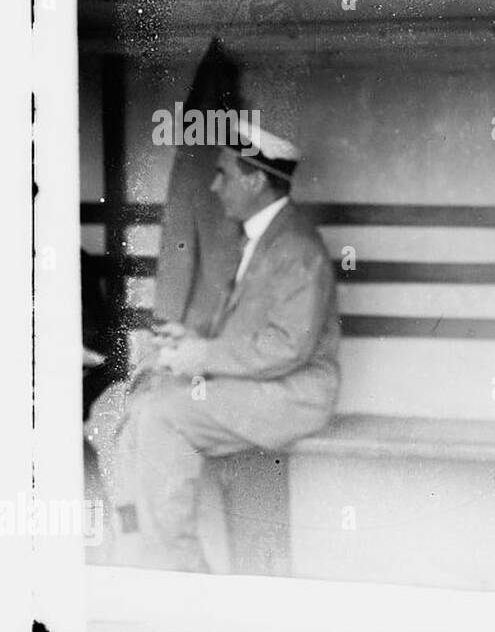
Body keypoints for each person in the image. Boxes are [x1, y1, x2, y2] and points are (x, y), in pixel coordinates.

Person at [86, 121, 341, 572]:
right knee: (143, 399)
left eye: (224, 173)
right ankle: (160, 555)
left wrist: (203, 356)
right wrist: (192, 342)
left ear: (255, 180)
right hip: (264, 387)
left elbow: (289, 347)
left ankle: (178, 568)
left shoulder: (296, 246)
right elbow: (250, 330)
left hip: (295, 394)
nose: (213, 185)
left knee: (162, 415)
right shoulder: (260, 237)